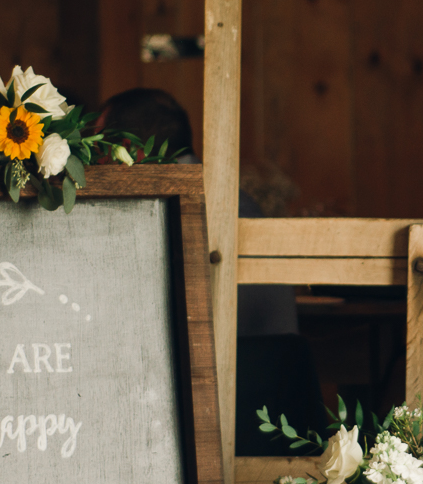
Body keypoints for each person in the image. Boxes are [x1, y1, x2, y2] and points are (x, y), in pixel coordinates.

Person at [95, 88, 297, 338]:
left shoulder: (167, 209)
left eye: (97, 147)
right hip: (278, 366)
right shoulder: (235, 199)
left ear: (128, 149)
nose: (92, 164)